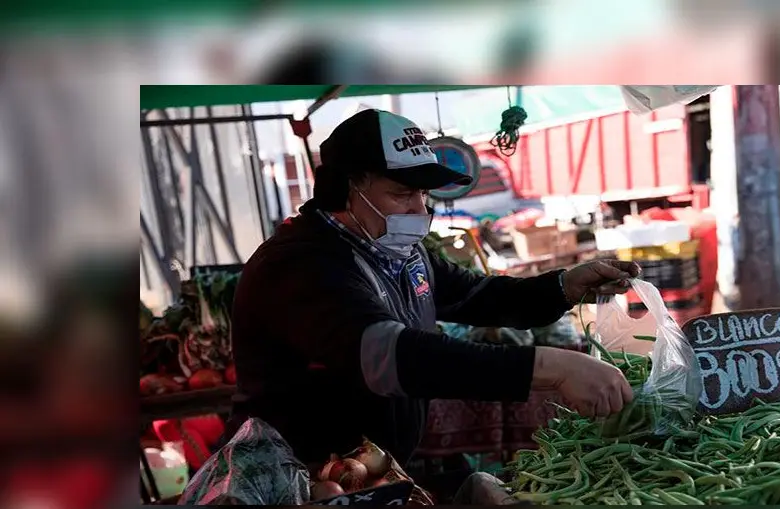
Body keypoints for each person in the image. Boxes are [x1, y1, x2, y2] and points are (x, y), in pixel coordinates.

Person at [227, 109, 640, 468]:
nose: (419, 210)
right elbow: (391, 356)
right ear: (346, 189)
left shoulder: (399, 251)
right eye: (402, 193)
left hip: (374, 469)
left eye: (423, 193)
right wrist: (552, 367)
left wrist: (565, 285)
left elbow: (477, 297)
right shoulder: (299, 264)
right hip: (302, 478)